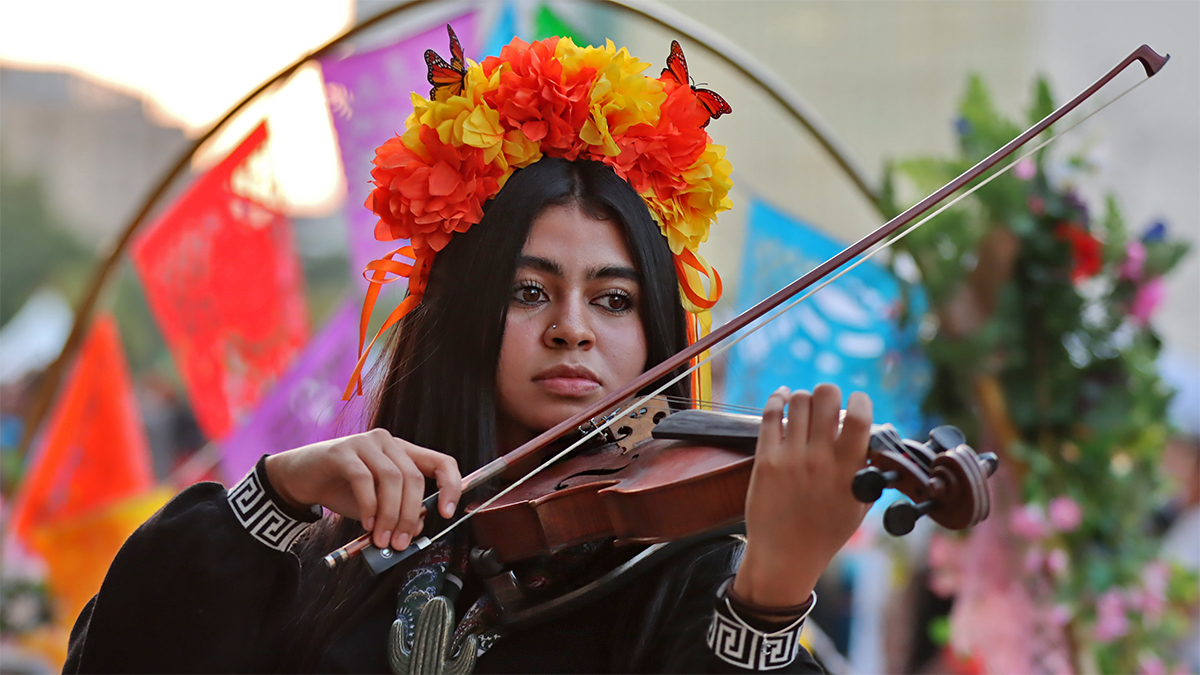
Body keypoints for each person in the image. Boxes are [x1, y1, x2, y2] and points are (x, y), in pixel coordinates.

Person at [63, 34, 874, 674]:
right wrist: (279, 490)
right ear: (464, 315)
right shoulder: (334, 551)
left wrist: (768, 602)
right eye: (529, 292)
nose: (572, 328)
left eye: (613, 299)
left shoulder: (689, 581)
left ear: (658, 329)